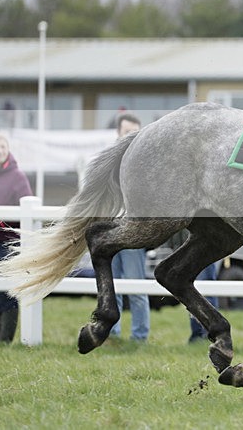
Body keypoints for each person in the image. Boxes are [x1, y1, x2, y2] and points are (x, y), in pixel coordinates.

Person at [110, 113, 150, 342]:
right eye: (127, 132)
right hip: (109, 231)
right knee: (110, 286)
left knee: (136, 287)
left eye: (135, 132)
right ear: (118, 133)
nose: (131, 136)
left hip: (133, 233)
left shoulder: (144, 165)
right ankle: (112, 333)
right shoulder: (108, 163)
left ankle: (140, 336)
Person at [0, 132, 32, 343]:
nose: (0, 150)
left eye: (3, 146)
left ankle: (5, 338)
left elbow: (27, 209)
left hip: (7, 242)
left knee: (7, 290)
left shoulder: (17, 177)